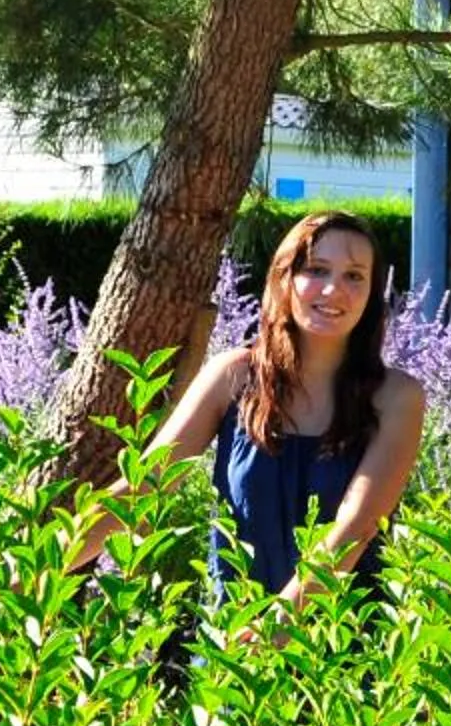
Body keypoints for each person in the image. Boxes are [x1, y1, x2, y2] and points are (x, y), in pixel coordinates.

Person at [71, 210, 425, 625]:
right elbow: (144, 488)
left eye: (354, 276)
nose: (333, 289)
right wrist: (34, 570)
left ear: (371, 293)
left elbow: (356, 528)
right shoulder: (233, 376)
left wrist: (275, 627)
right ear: (284, 278)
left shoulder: (397, 398)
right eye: (316, 270)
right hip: (233, 641)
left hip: (342, 644)